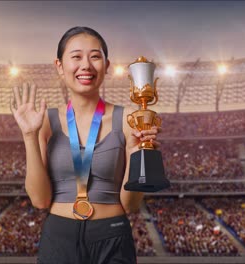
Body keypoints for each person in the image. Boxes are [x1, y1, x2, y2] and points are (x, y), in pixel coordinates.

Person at [10, 26, 161, 264]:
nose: (86, 66)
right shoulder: (43, 122)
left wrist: (135, 152)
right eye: (76, 56)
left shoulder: (129, 120)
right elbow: (39, 200)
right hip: (59, 238)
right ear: (59, 66)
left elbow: (130, 205)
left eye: (95, 56)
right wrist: (29, 135)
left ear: (107, 65)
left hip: (113, 235)